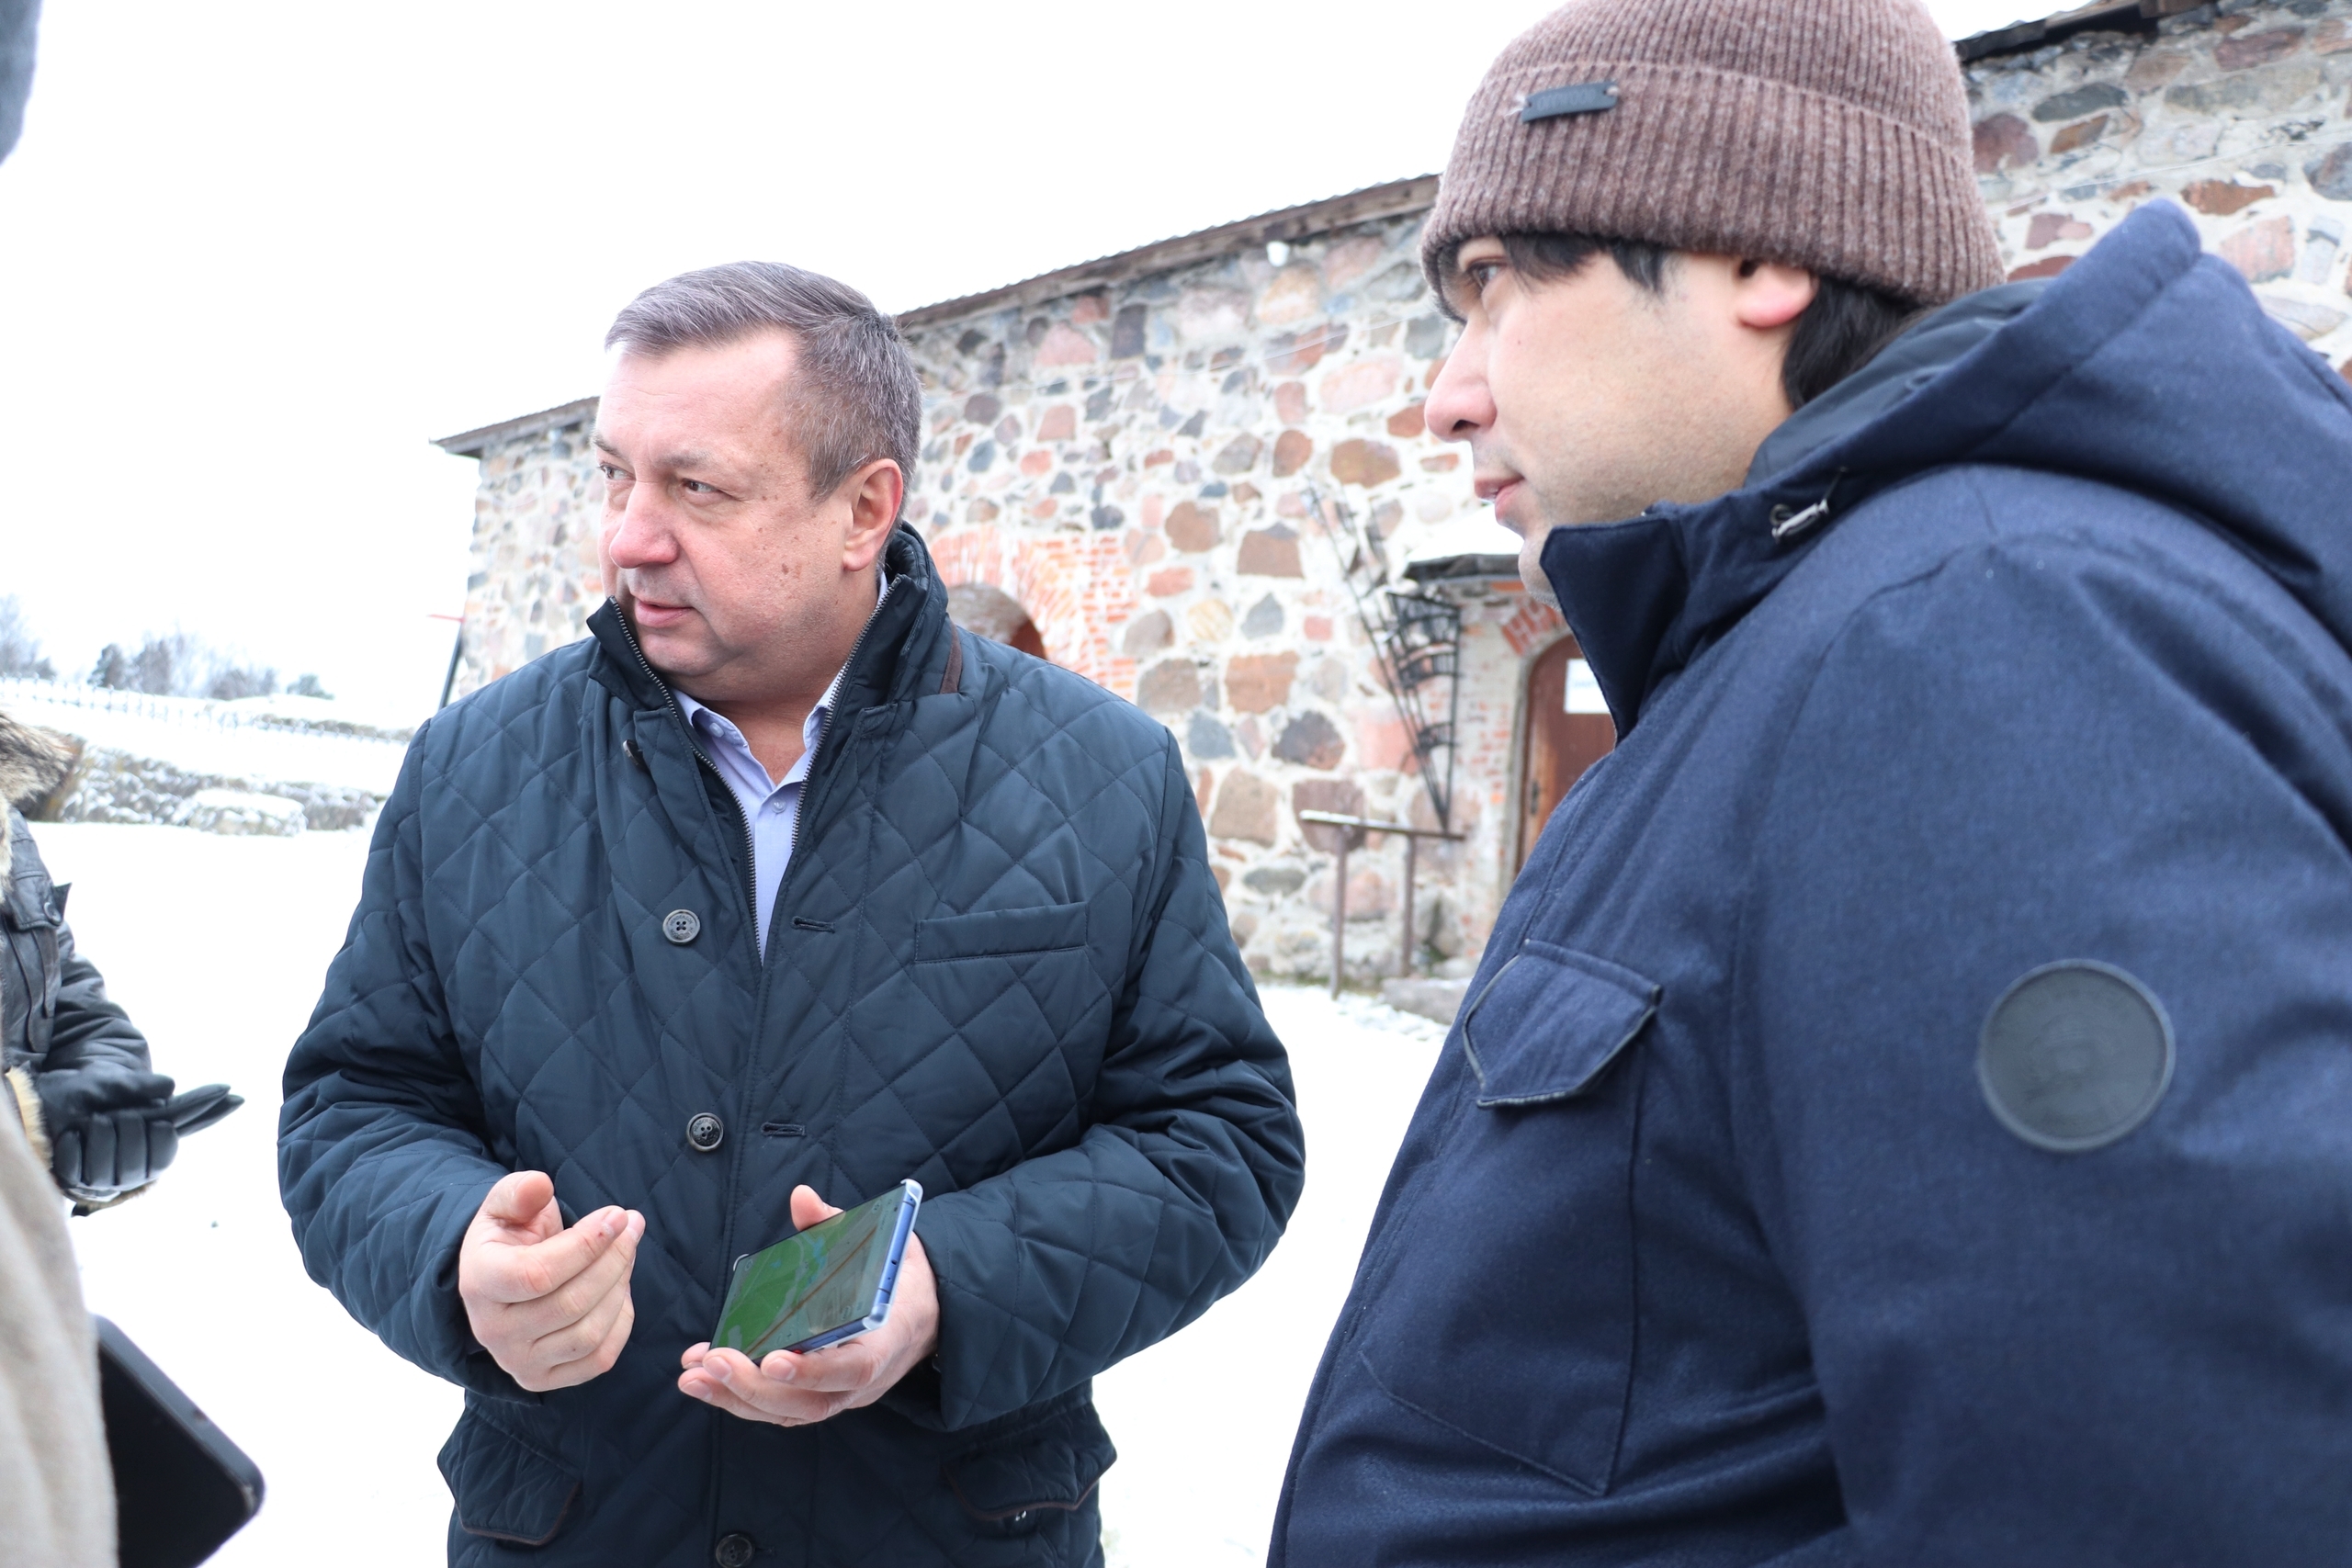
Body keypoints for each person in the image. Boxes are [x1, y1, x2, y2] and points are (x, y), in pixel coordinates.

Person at [1273, 1, 2352, 1563]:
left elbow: (2169, 1498)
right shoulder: (1806, 635)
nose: (1448, 393)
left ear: (1760, 255)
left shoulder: (1975, 639)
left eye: (1497, 285)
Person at [280, 261, 1304, 1567]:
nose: (629, 537)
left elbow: (1219, 1142)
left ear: (863, 509)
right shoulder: (472, 767)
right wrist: (454, 1254)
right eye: (615, 477)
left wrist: (948, 1288)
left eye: (696, 489)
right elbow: (354, 1108)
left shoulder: (1101, 776)